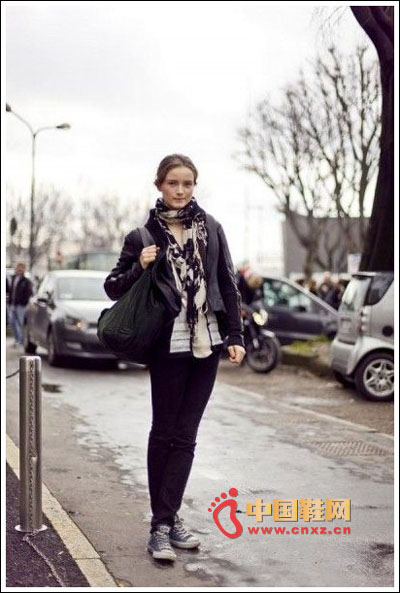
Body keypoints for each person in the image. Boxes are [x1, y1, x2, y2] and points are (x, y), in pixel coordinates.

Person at [104, 154, 246, 562]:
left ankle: (166, 520)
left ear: (194, 186)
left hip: (208, 344)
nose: (180, 190)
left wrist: (236, 335)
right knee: (164, 431)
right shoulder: (143, 236)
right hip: (167, 346)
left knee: (186, 435)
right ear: (160, 186)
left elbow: (227, 284)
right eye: (173, 183)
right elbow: (113, 287)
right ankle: (161, 526)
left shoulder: (211, 228)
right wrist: (140, 266)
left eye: (187, 183)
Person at [6, 262, 34, 348]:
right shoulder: (13, 278)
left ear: (24, 269)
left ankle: (21, 340)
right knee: (12, 322)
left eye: (21, 268)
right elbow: (10, 290)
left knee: (20, 323)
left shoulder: (26, 281)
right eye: (18, 267)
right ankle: (17, 339)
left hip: (21, 306)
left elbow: (29, 293)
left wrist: (23, 302)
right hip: (12, 304)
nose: (19, 269)